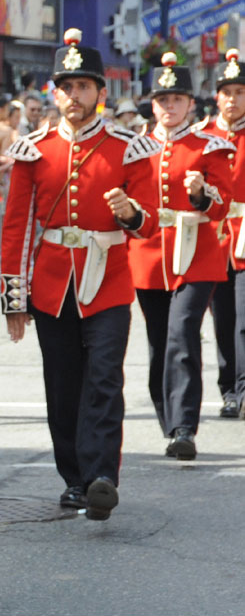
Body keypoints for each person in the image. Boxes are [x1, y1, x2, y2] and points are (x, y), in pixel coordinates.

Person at [1, 28, 161, 520]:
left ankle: (102, 477)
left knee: (105, 381)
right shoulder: (34, 149)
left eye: (84, 87)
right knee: (63, 384)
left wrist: (129, 212)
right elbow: (17, 226)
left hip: (109, 281)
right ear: (55, 92)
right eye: (66, 87)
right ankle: (74, 478)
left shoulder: (128, 147)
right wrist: (15, 297)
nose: (75, 96)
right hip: (52, 287)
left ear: (101, 92)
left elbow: (150, 218)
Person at [128, 52, 235, 462]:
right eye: (162, 100)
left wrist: (199, 192)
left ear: (191, 103)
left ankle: (185, 427)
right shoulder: (136, 146)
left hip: (197, 250)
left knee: (183, 333)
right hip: (150, 251)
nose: (169, 106)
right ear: (152, 104)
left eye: (177, 99)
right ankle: (167, 416)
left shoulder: (212, 145)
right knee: (159, 341)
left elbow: (223, 204)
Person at [197, 48, 245, 419]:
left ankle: (243, 388)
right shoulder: (204, 137)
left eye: (240, 92)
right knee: (223, 317)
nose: (233, 100)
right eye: (227, 93)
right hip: (213, 236)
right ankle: (228, 388)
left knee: (244, 318)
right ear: (217, 97)